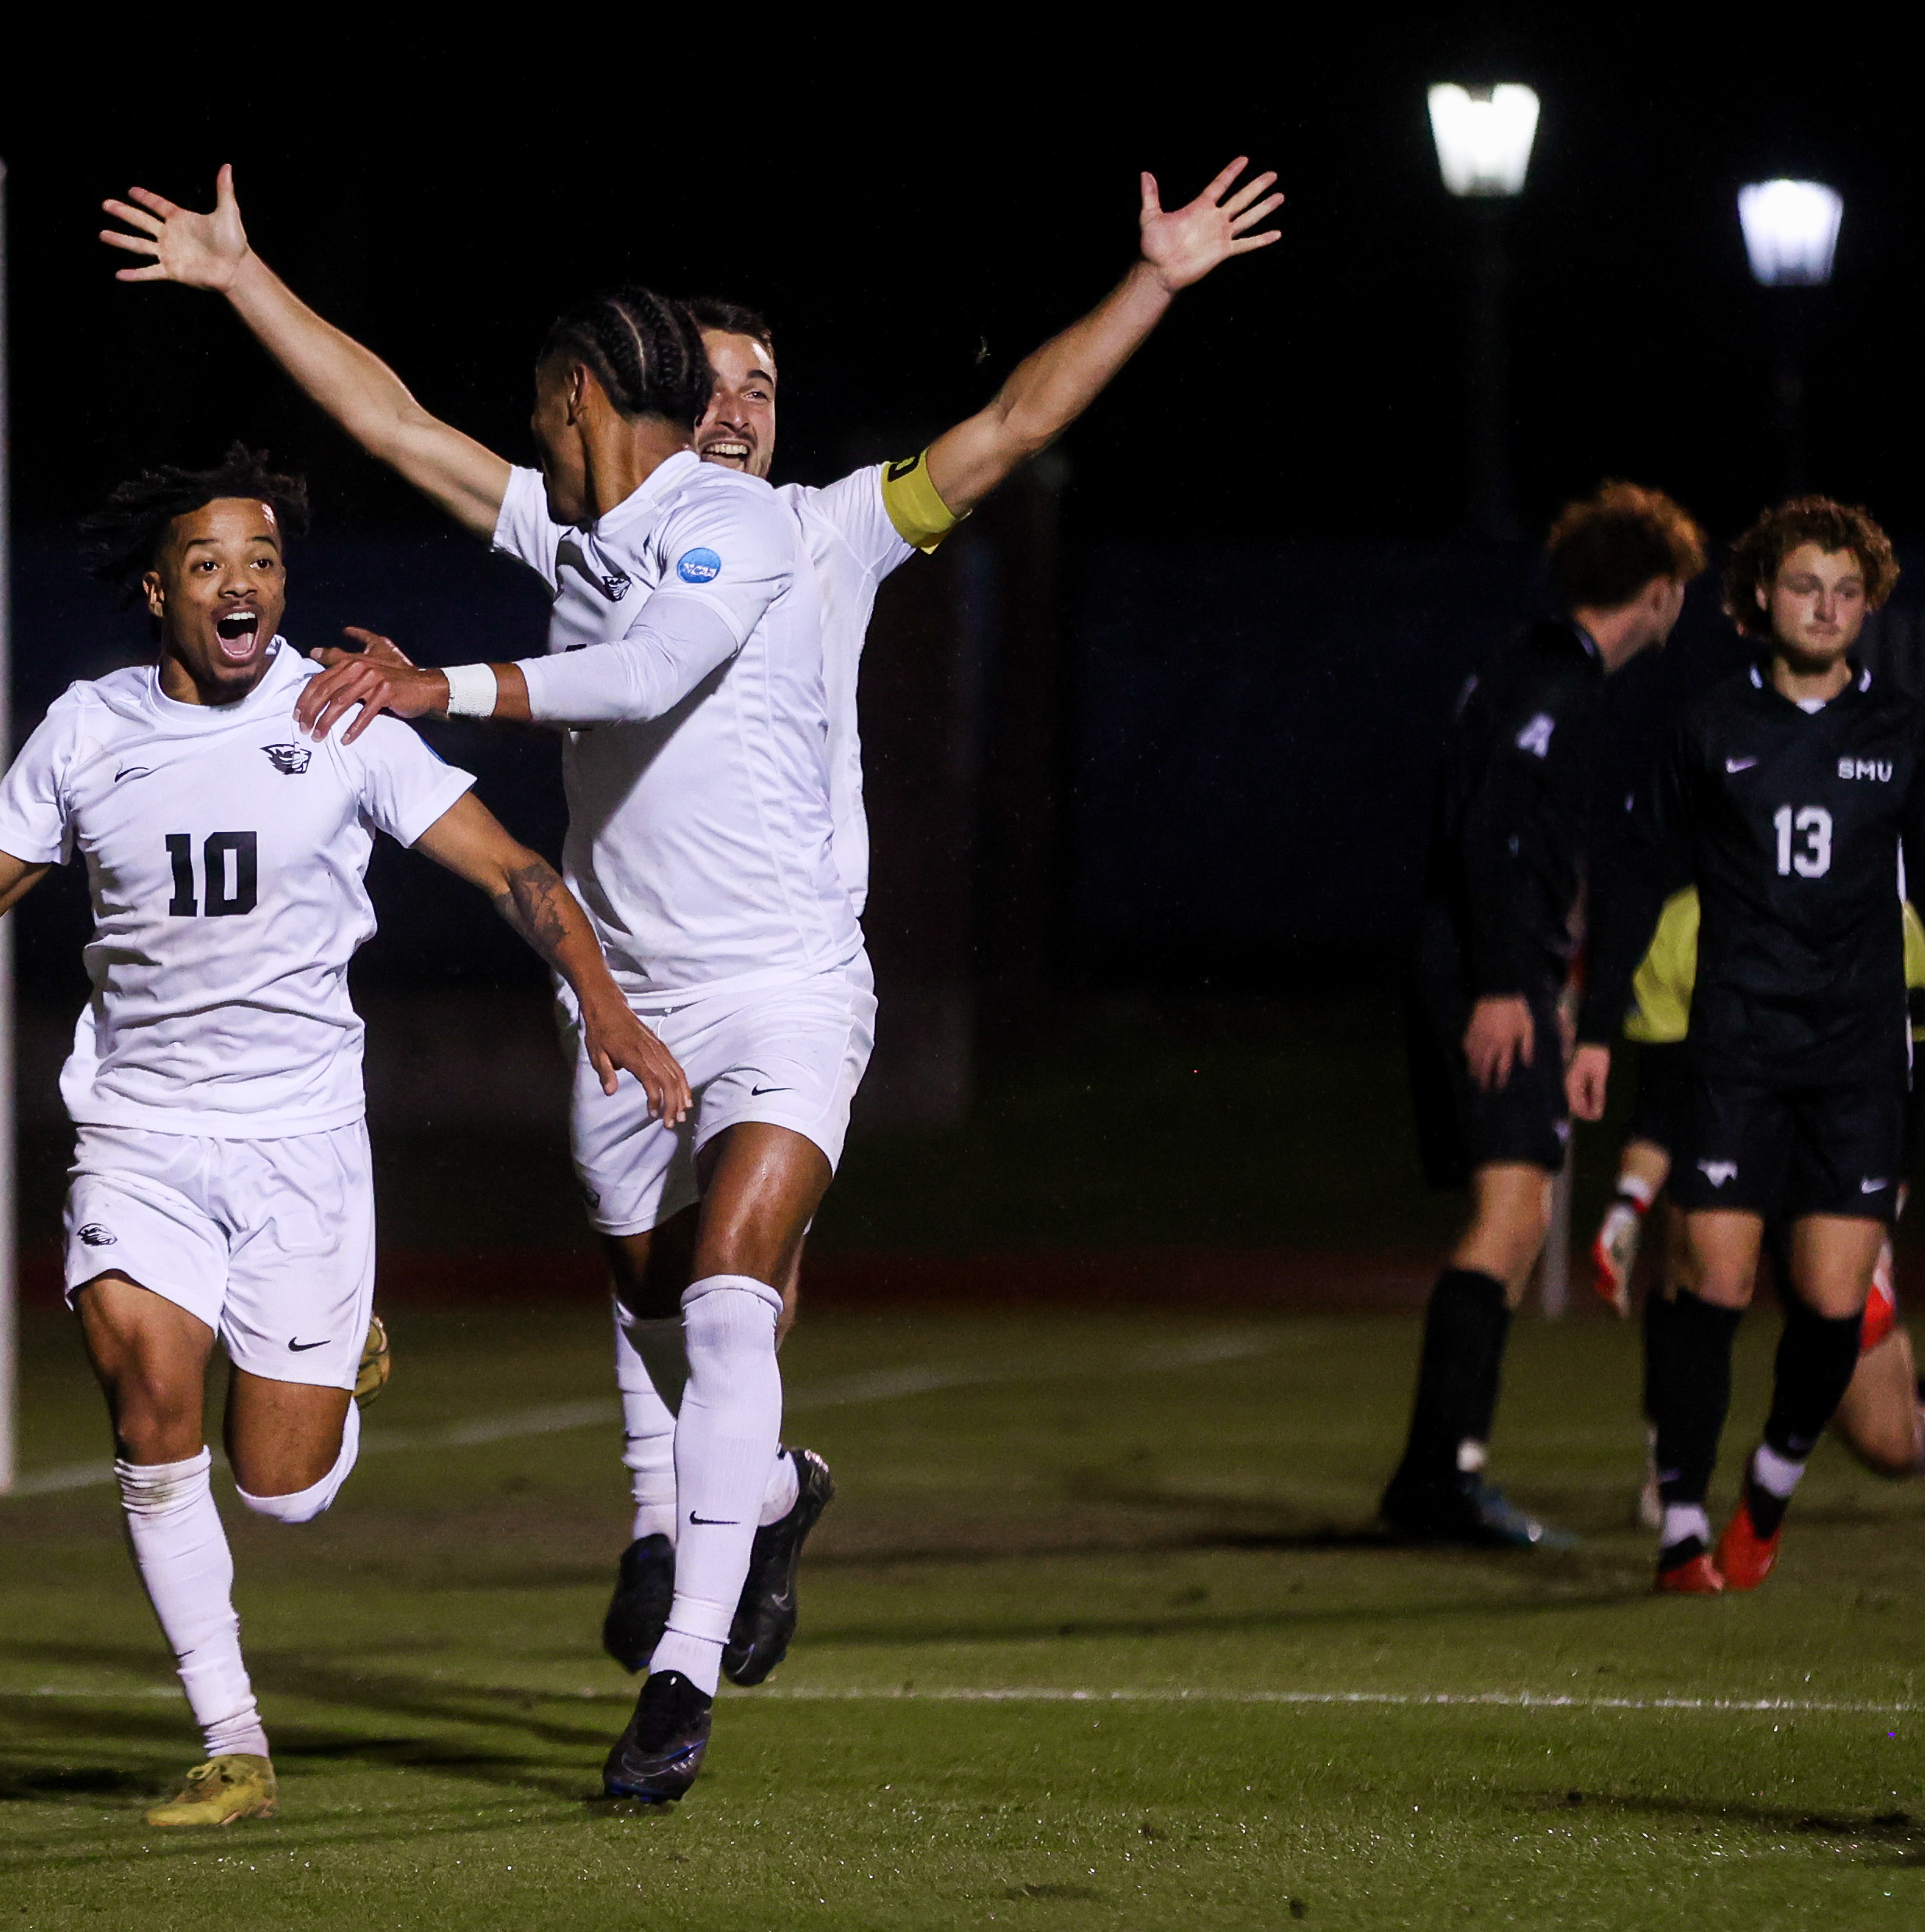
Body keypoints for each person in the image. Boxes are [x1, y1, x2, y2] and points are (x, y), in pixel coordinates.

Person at [96, 159, 1283, 1741]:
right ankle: (761, 1490)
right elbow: (389, 425)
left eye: (761, 385)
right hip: (626, 996)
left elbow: (999, 434)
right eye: (713, 380)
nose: (735, 406)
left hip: (791, 978)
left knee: (729, 1298)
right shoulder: (579, 536)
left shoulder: (822, 529)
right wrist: (243, 278)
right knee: (664, 1299)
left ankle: (680, 1664)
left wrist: (1152, 281)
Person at [0, 447, 685, 1828]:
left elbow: (514, 869)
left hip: (300, 1143)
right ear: (158, 593)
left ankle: (338, 1362)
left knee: (282, 1488)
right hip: (136, 1131)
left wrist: (604, 1005)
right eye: (209, 564)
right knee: (146, 1403)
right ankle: (231, 1737)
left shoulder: (341, 719)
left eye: (261, 560)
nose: (241, 582)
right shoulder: (87, 730)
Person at [1572, 496, 1925, 1592]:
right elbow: (1633, 875)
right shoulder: (1710, 724)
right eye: (1808, 585)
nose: (1828, 606)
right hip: (1736, 1046)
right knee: (1711, 1272)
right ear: (1762, 595)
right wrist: (1601, 1026)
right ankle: (1681, 1523)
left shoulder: (1907, 732)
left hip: (1858, 1058)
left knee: (1833, 1301)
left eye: (1849, 591)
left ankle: (1769, 1483)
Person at [1384, 482, 1706, 1548]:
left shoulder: (1537, 666)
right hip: (1487, 970)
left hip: (1491, 962)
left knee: (1513, 1215)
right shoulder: (1555, 679)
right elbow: (1490, 833)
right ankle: (1441, 1479)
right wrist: (1503, 982)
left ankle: (1440, 1474)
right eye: (1680, 595)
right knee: (1512, 1216)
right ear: (1657, 592)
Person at [1592, 888, 1925, 1524]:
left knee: (1884, 1441)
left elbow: (1909, 1092)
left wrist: (1882, 1216)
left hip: (1830, 1180)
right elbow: (1665, 1104)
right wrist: (1626, 1205)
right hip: (1732, 1160)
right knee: (1693, 1243)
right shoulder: (1685, 924)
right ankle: (1674, 1451)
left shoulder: (1890, 921)